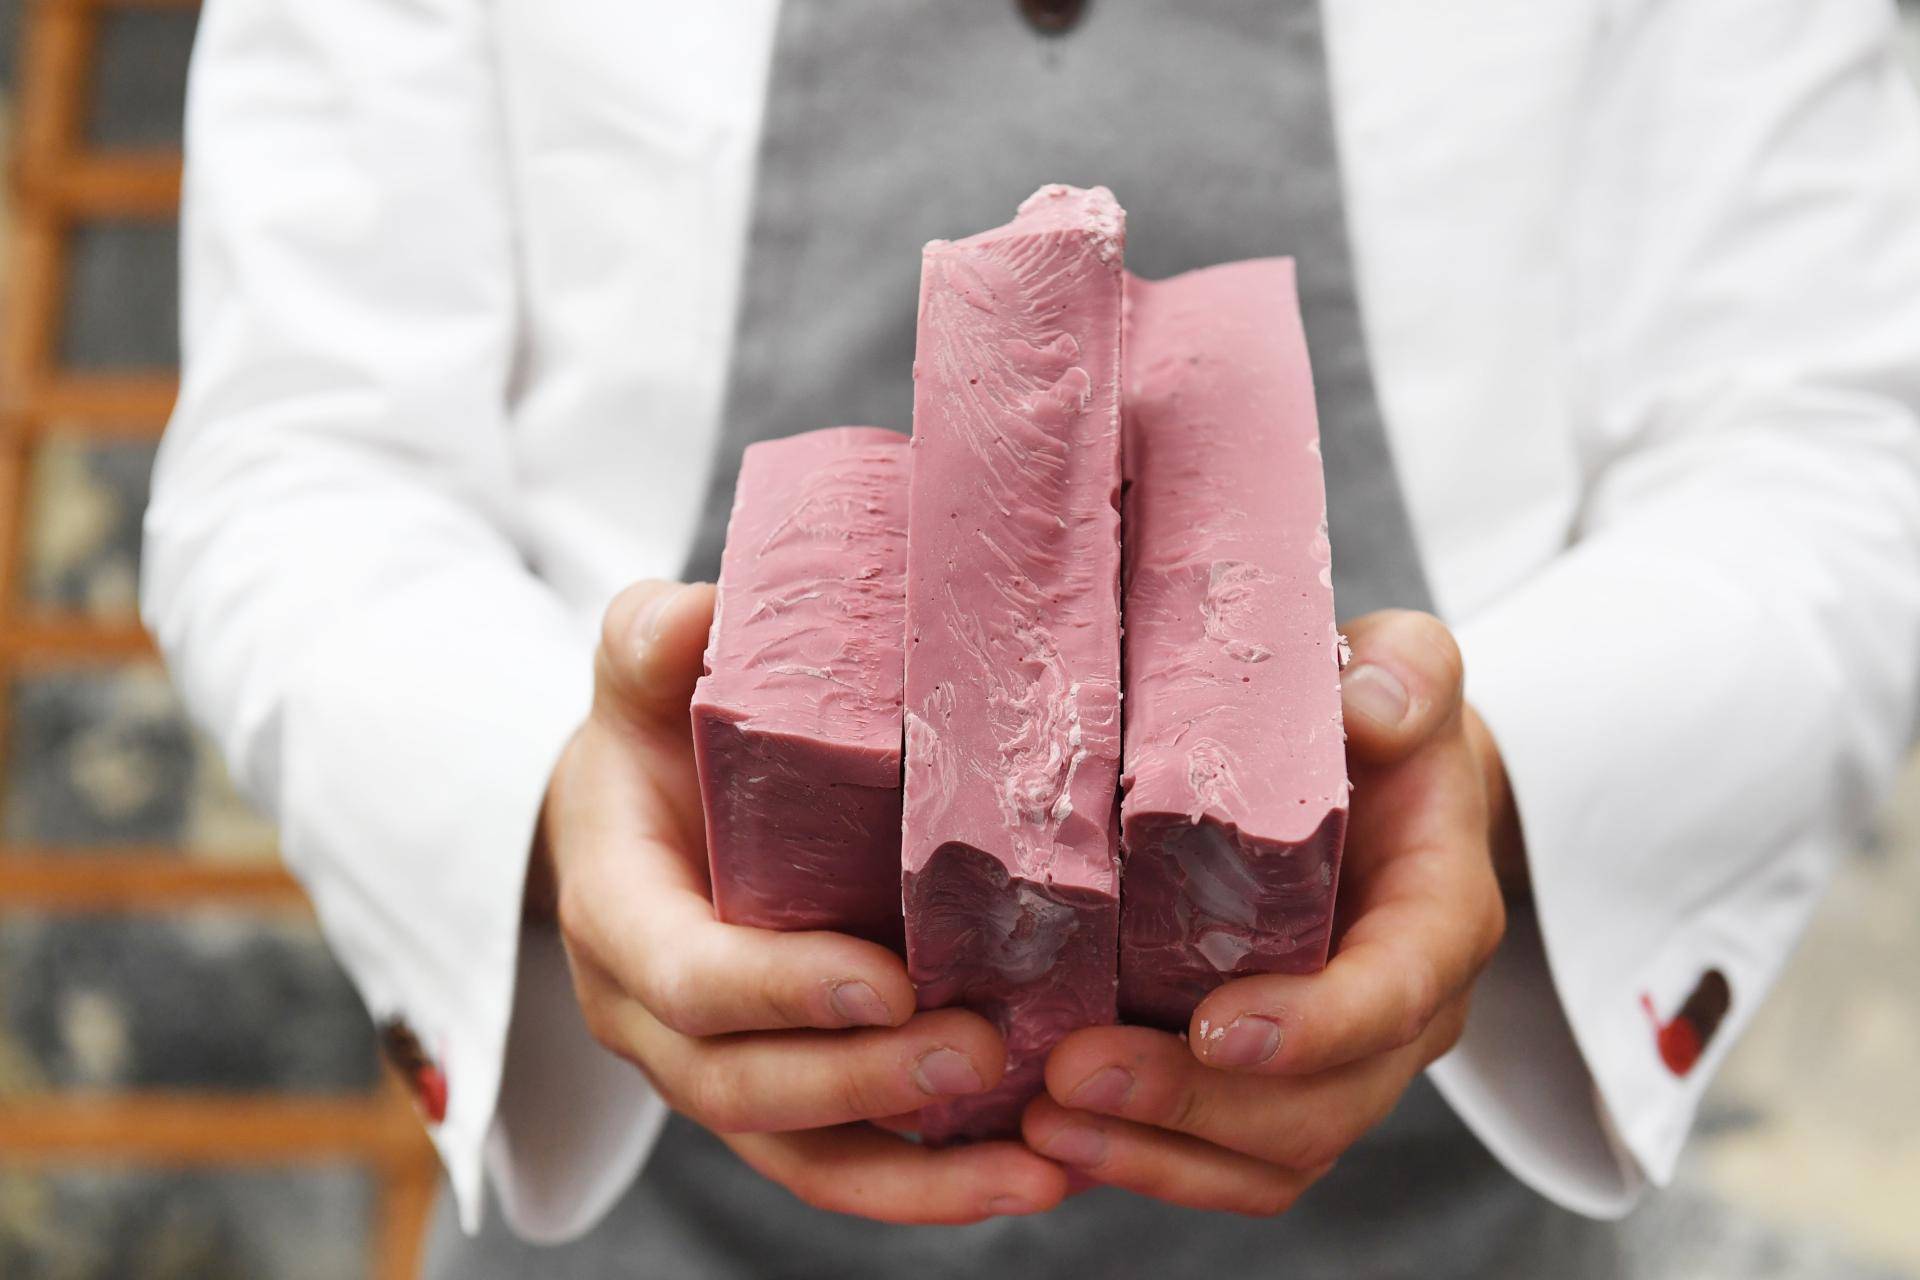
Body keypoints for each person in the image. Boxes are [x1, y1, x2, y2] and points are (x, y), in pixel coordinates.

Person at [142, 1, 1920, 1276]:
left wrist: (1497, 777)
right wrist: (548, 800)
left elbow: (1834, 446)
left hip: (1426, 1197)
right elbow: (302, 453)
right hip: (665, 1214)